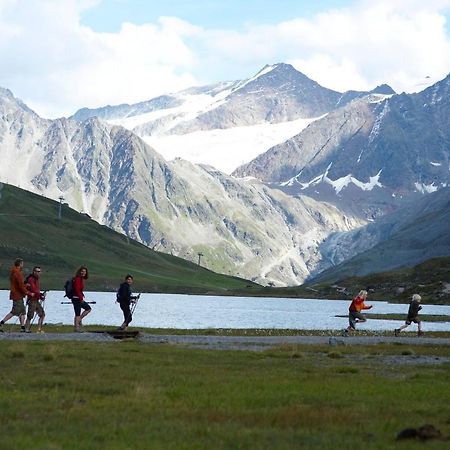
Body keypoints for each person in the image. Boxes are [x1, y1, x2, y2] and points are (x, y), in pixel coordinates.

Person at [0, 258, 31, 332]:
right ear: (20, 264)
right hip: (17, 294)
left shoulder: (14, 272)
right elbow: (20, 285)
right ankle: (1, 323)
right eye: (22, 264)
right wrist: (27, 292)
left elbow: (19, 284)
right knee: (15, 311)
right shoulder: (17, 273)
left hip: (18, 294)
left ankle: (22, 327)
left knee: (22, 311)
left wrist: (25, 286)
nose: (23, 265)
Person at [24, 266, 46, 333]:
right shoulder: (31, 279)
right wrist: (40, 295)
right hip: (32, 299)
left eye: (40, 271)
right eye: (37, 271)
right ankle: (26, 329)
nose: (39, 273)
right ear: (34, 272)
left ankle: (39, 329)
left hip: (36, 299)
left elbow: (36, 290)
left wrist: (40, 295)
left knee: (42, 314)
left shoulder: (36, 279)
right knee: (30, 315)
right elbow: (34, 290)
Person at [71, 266, 91, 332]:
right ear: (79, 272)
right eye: (82, 271)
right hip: (76, 298)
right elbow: (77, 289)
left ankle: (78, 322)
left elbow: (79, 290)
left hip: (78, 297)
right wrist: (81, 298)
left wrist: (81, 296)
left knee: (88, 308)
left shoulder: (80, 279)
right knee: (77, 313)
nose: (83, 273)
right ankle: (77, 328)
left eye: (85, 271)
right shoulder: (78, 279)